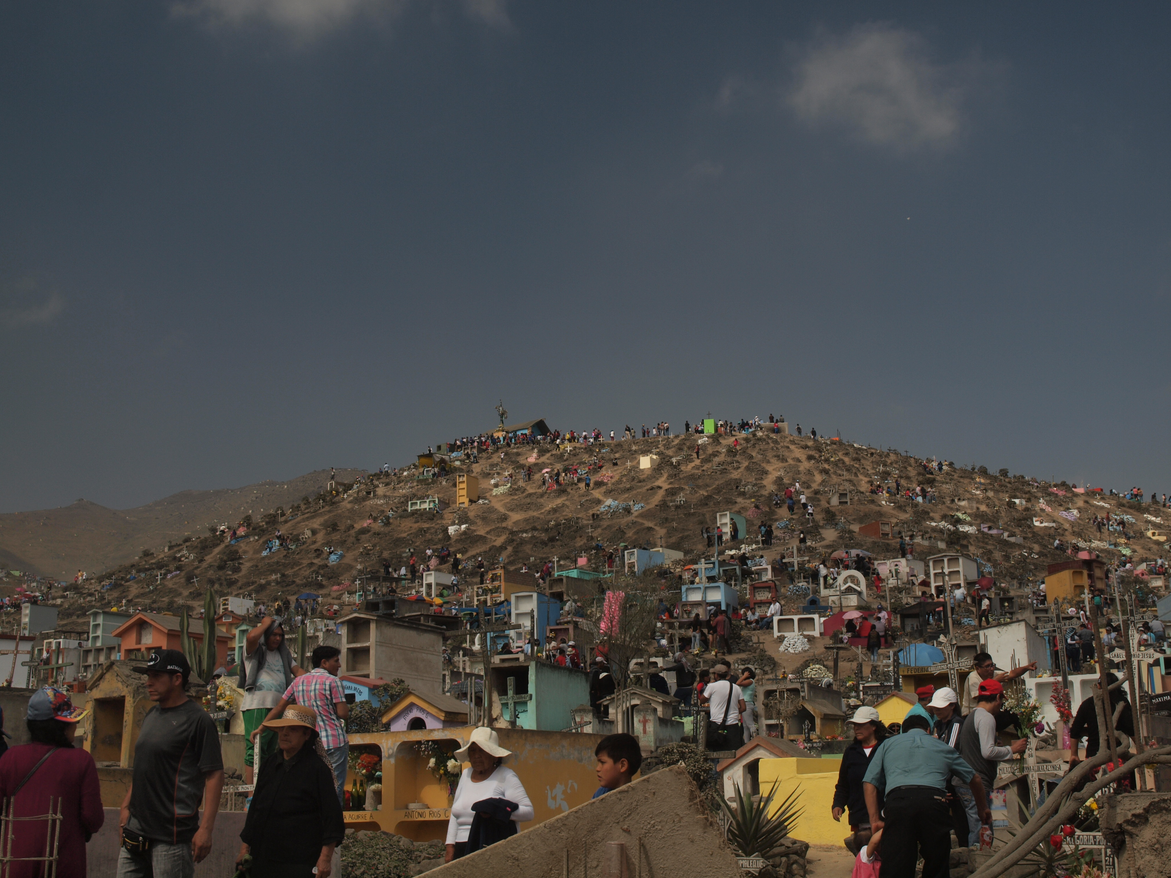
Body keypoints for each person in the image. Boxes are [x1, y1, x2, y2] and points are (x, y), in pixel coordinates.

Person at [117, 650, 224, 878]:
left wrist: (206, 829)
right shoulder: (151, 715)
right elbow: (145, 766)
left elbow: (214, 774)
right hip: (136, 831)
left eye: (156, 676)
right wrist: (126, 806)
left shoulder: (198, 721)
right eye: (148, 676)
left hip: (171, 837)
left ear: (177, 679)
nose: (149, 682)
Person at [863, 713, 991, 878]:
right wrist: (982, 809)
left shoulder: (888, 744)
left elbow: (869, 782)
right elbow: (975, 779)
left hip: (898, 803)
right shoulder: (941, 746)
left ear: (903, 731)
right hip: (933, 803)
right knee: (937, 863)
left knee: (896, 866)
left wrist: (874, 819)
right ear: (929, 730)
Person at [0, 687, 103, 878]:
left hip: (16, 864)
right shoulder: (81, 760)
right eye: (72, 722)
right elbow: (93, 818)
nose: (75, 726)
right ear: (60, 726)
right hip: (63, 864)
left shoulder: (9, 758)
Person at [237, 705, 344, 878]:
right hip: (263, 860)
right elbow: (255, 809)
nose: (285, 733)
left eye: (292, 729)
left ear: (306, 735)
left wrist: (325, 858)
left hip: (299, 863)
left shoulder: (317, 769)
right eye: (282, 729)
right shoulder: (269, 765)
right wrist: (244, 849)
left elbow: (332, 818)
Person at [252, 645, 350, 805]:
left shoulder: (298, 681)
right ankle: (332, 819)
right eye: (336, 661)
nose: (339, 665)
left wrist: (261, 728)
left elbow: (279, 707)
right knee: (334, 788)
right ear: (324, 662)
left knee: (309, 787)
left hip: (308, 742)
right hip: (334, 742)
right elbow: (342, 713)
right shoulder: (333, 682)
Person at [445, 728, 534, 862]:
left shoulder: (506, 776)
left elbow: (528, 812)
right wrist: (450, 846)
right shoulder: (465, 775)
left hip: (490, 848)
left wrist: (497, 811)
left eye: (482, 750)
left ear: (494, 755)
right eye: (473, 750)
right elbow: (454, 814)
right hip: (461, 849)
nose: (477, 755)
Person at [956, 680, 1026, 846]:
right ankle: (980, 861)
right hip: (976, 784)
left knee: (980, 829)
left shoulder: (973, 715)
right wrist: (1012, 749)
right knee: (983, 830)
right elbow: (987, 752)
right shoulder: (986, 718)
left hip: (968, 782)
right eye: (1001, 701)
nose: (1001, 706)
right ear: (997, 698)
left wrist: (997, 746)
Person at [242, 617, 306, 784]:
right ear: (266, 634)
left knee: (271, 752)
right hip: (257, 705)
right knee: (255, 749)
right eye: (274, 634)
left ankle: (264, 789)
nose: (277, 638)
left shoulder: (283, 654)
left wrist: (317, 678)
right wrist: (265, 624)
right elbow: (251, 637)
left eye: (280, 635)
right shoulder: (255, 650)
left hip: (278, 708)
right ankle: (251, 793)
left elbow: (298, 671)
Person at [832, 706, 889, 852]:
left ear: (874, 726)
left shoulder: (887, 748)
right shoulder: (851, 752)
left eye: (861, 725)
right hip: (860, 815)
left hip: (886, 814)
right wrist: (838, 804)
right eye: (855, 725)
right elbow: (843, 783)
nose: (856, 728)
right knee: (865, 856)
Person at [1069, 673, 1135, 765]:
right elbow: (1131, 730)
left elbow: (1075, 731)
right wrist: (1140, 748)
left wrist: (1074, 754)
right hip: (1118, 756)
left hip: (1094, 757)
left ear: (1099, 686)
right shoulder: (1121, 702)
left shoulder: (1087, 704)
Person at [959, 652, 1036, 715]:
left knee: (1014, 713)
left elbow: (1012, 674)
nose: (991, 669)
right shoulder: (973, 678)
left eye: (992, 665)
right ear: (978, 668)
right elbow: (980, 698)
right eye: (987, 666)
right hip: (972, 714)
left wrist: (1026, 668)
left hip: (989, 712)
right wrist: (994, 681)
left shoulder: (995, 674)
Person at [701, 664, 745, 750]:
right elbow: (743, 707)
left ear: (716, 675)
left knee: (715, 752)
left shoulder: (712, 686)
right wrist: (734, 712)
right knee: (734, 752)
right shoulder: (736, 687)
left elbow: (702, 700)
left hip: (716, 725)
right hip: (733, 725)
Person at [592, 733, 642, 798]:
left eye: (602, 762)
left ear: (623, 765)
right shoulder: (600, 793)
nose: (597, 769)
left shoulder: (638, 798)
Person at [736, 668, 758, 739]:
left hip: (747, 703)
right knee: (745, 726)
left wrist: (744, 676)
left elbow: (738, 683)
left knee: (750, 724)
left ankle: (755, 737)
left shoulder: (750, 681)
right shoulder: (748, 682)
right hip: (745, 703)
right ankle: (746, 741)